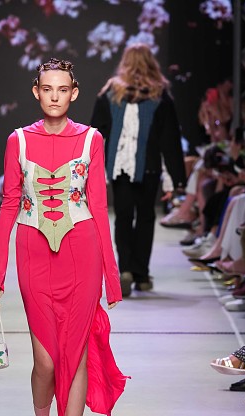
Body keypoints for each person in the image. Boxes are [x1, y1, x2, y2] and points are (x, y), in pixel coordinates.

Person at [0, 58, 128, 416]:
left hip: (82, 253)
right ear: (36, 91)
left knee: (76, 356)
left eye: (62, 89)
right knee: (46, 360)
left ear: (74, 93)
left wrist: (111, 276)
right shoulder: (18, 141)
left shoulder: (91, 139)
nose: (54, 96)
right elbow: (10, 203)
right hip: (33, 253)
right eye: (47, 88)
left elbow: (98, 206)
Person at [90, 44, 186, 297]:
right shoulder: (159, 95)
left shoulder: (111, 92)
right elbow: (170, 139)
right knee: (145, 217)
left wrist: (91, 168)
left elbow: (96, 132)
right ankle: (141, 274)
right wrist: (177, 178)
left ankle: (125, 270)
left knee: (123, 216)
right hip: (149, 166)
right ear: (151, 62)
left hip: (119, 166)